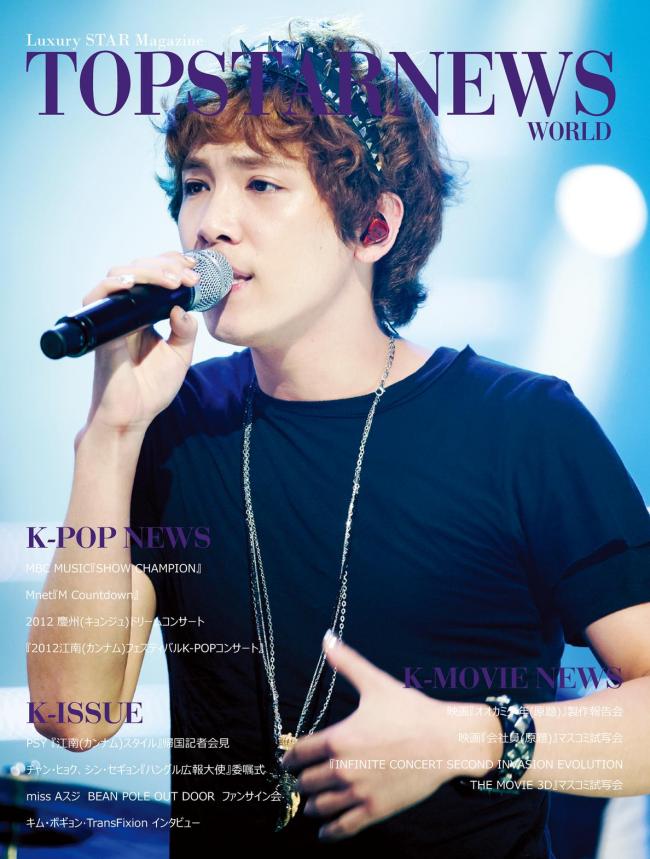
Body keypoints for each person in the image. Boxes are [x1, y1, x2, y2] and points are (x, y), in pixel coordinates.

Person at [27, 18, 650, 858]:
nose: (211, 223)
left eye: (261, 184)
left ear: (373, 229)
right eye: (197, 184)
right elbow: (72, 716)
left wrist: (461, 737)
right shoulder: (172, 424)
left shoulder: (523, 424)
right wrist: (109, 431)